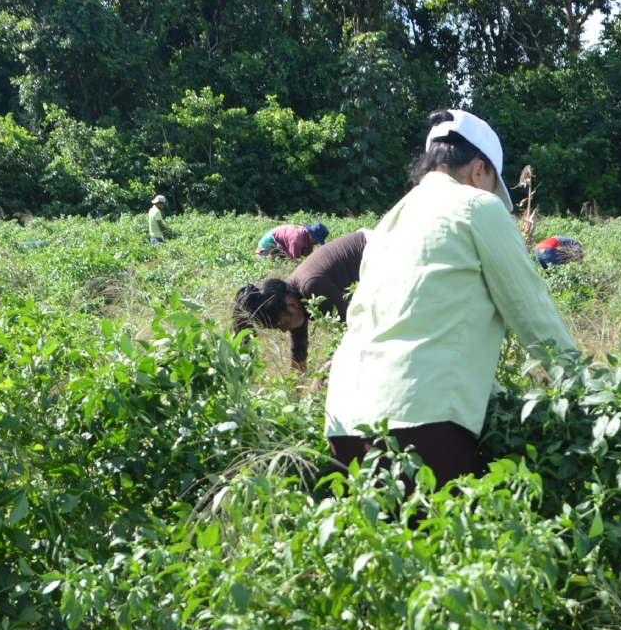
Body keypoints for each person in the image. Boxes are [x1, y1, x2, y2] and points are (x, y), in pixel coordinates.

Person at [325, 109, 577, 486]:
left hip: (344, 423)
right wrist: (592, 393)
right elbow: (532, 313)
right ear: (479, 170)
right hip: (422, 424)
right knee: (462, 537)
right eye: (492, 183)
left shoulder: (390, 220)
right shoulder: (478, 206)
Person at [232, 229, 368, 372]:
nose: (284, 331)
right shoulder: (292, 296)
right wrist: (295, 391)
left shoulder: (313, 288)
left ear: (291, 304)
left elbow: (357, 331)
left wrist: (324, 374)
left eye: (283, 324)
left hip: (381, 250)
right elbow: (298, 353)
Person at [257, 223, 329, 261]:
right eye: (316, 240)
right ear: (311, 235)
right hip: (268, 243)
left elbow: (309, 257)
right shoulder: (296, 240)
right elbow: (294, 261)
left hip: (281, 243)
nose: (316, 243)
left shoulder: (309, 240)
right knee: (272, 265)